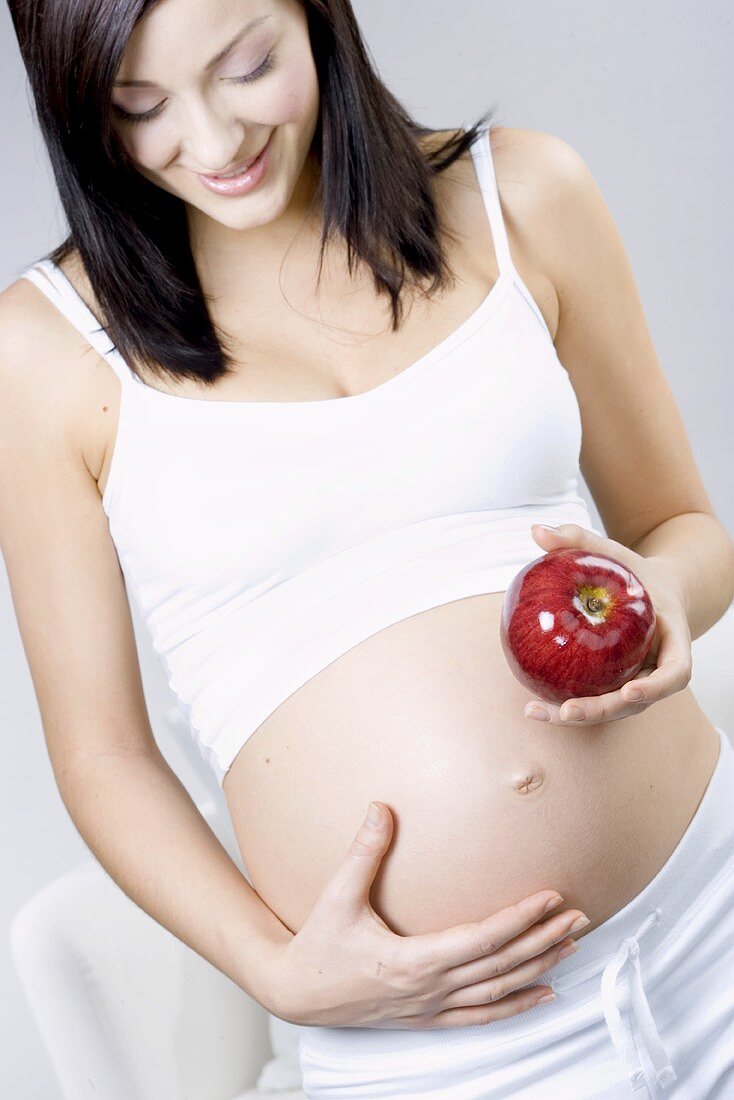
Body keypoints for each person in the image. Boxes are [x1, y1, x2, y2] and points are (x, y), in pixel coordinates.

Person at [2, 0, 734, 1095]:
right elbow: (101, 755)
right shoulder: (48, 350)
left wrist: (668, 589)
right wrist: (277, 973)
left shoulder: (522, 197)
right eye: (138, 108)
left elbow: (684, 531)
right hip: (447, 1046)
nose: (208, 145)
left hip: (711, 917)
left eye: (246, 67)